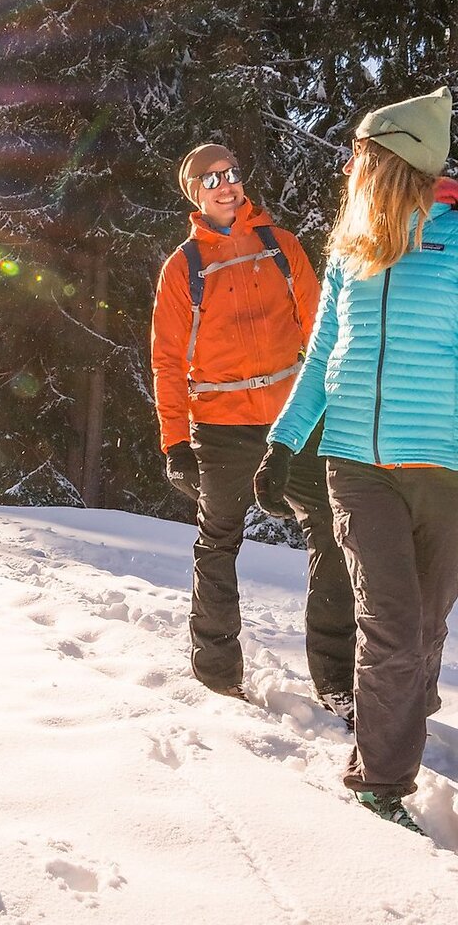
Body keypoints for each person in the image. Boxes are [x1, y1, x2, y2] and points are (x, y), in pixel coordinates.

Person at [254, 86, 458, 835]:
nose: (350, 164)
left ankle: (401, 715)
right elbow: (319, 358)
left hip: (444, 466)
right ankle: (378, 782)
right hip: (355, 465)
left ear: (396, 161)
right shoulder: (351, 245)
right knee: (394, 626)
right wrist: (283, 441)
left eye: (363, 153)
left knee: (425, 626)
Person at [151, 143, 355, 708]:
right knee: (218, 541)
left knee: (331, 534)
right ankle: (218, 673)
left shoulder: (282, 247)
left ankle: (336, 680)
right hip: (219, 428)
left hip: (295, 421)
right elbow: (168, 361)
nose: (227, 184)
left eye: (234, 173)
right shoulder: (183, 268)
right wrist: (175, 442)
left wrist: (332, 403)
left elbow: (323, 333)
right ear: (196, 193)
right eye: (212, 178)